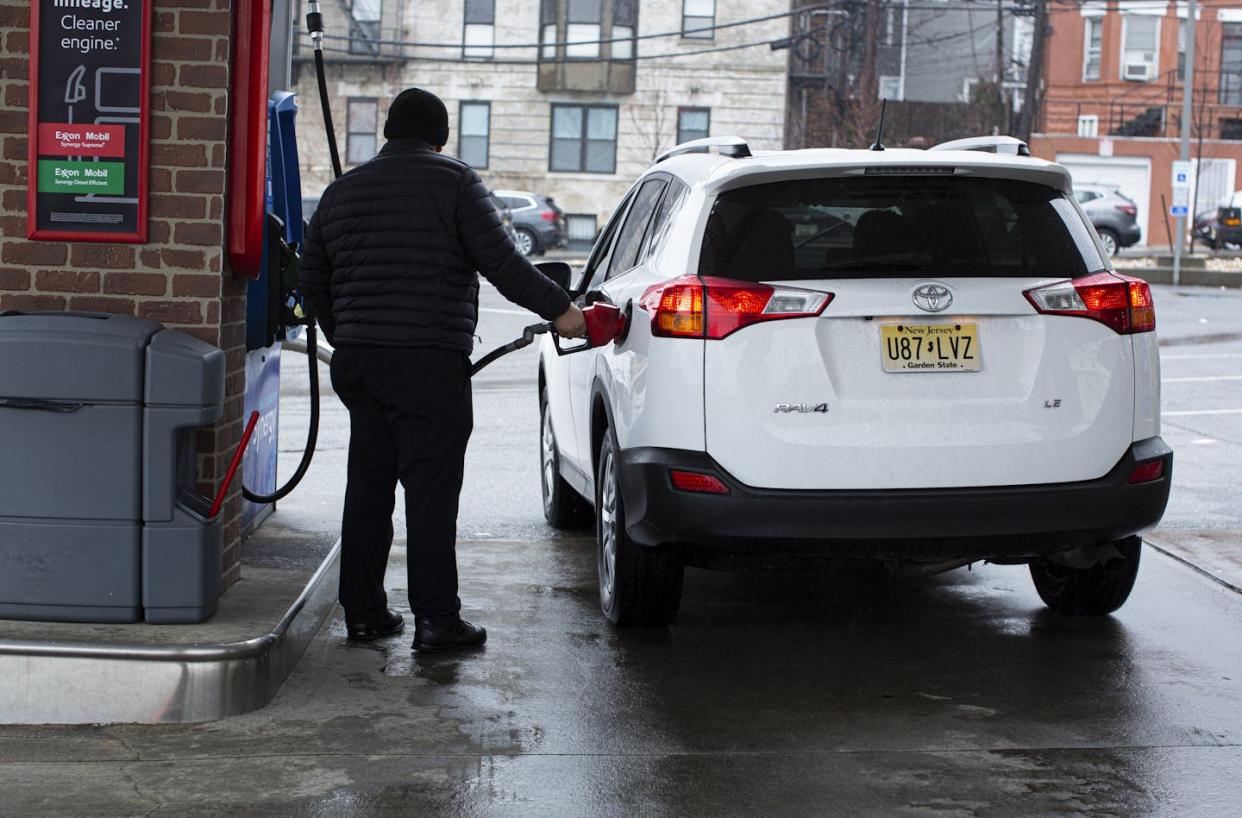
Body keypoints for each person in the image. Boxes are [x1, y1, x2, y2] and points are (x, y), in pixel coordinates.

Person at [299, 87, 586, 653]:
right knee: (430, 491)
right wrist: (562, 310)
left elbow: (312, 282)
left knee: (368, 488)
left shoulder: (340, 192)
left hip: (360, 363)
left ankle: (364, 613)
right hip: (428, 362)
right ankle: (436, 619)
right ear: (441, 136)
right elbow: (503, 263)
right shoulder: (454, 182)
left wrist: (349, 335)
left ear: (388, 132)